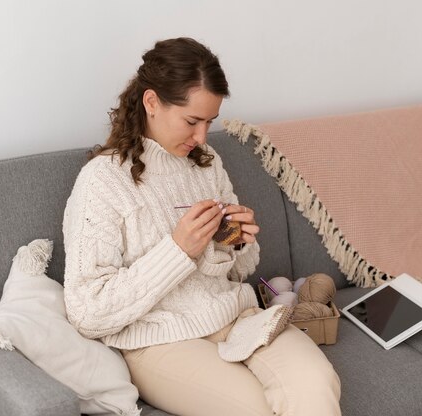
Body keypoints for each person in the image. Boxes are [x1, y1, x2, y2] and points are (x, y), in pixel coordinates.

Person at [63, 37, 341, 416]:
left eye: (209, 122)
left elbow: (241, 272)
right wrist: (178, 250)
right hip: (158, 340)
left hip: (235, 316)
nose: (202, 138)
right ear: (151, 103)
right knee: (255, 409)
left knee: (318, 383)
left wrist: (235, 241)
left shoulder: (206, 163)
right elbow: (86, 311)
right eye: (192, 121)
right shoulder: (102, 181)